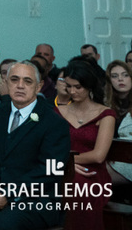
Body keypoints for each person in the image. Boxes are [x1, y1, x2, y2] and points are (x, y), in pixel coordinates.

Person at [0, 61, 70, 229]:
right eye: (14, 80)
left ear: (39, 87)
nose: (20, 86)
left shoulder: (53, 123)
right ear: (6, 83)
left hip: (35, 200)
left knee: (4, 224)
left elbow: (49, 171)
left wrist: (8, 194)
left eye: (27, 81)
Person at [55, 57, 116, 230]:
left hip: (92, 174)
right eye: (69, 86)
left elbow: (98, 156)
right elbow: (47, 148)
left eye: (78, 87)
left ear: (88, 86)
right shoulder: (59, 111)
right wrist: (63, 165)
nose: (72, 91)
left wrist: (69, 162)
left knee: (77, 184)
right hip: (59, 169)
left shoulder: (105, 114)